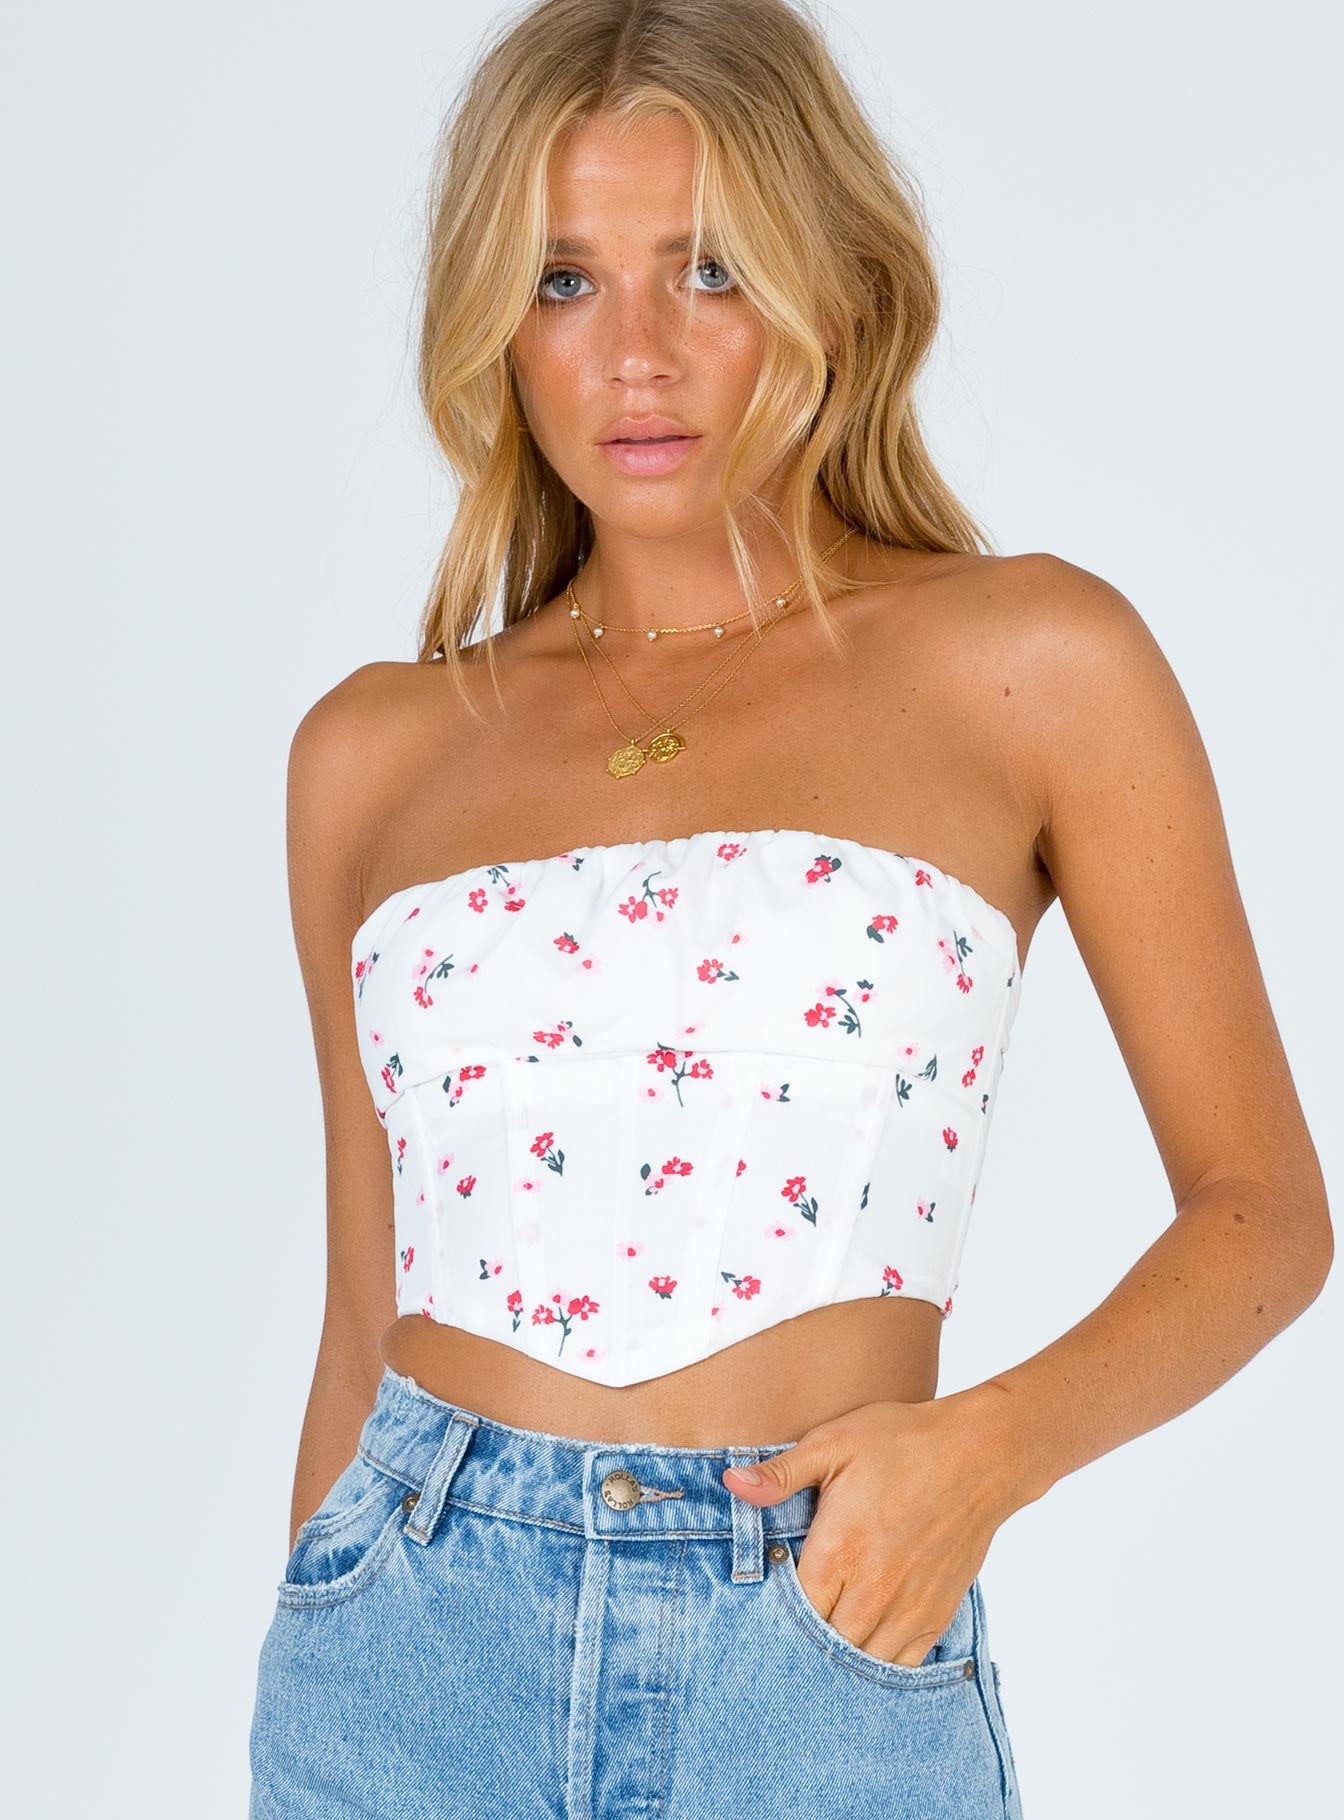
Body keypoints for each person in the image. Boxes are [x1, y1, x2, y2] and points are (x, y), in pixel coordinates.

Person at [247, 1, 1332, 1813]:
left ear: (830, 282)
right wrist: (316, 1610)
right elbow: (365, 1312)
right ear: (494, 322)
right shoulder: (370, 753)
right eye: (566, 281)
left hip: (817, 1639)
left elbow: (1266, 1215)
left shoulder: (1032, 662)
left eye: (711, 270)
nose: (638, 356)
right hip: (402, 1670)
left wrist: (981, 1457)